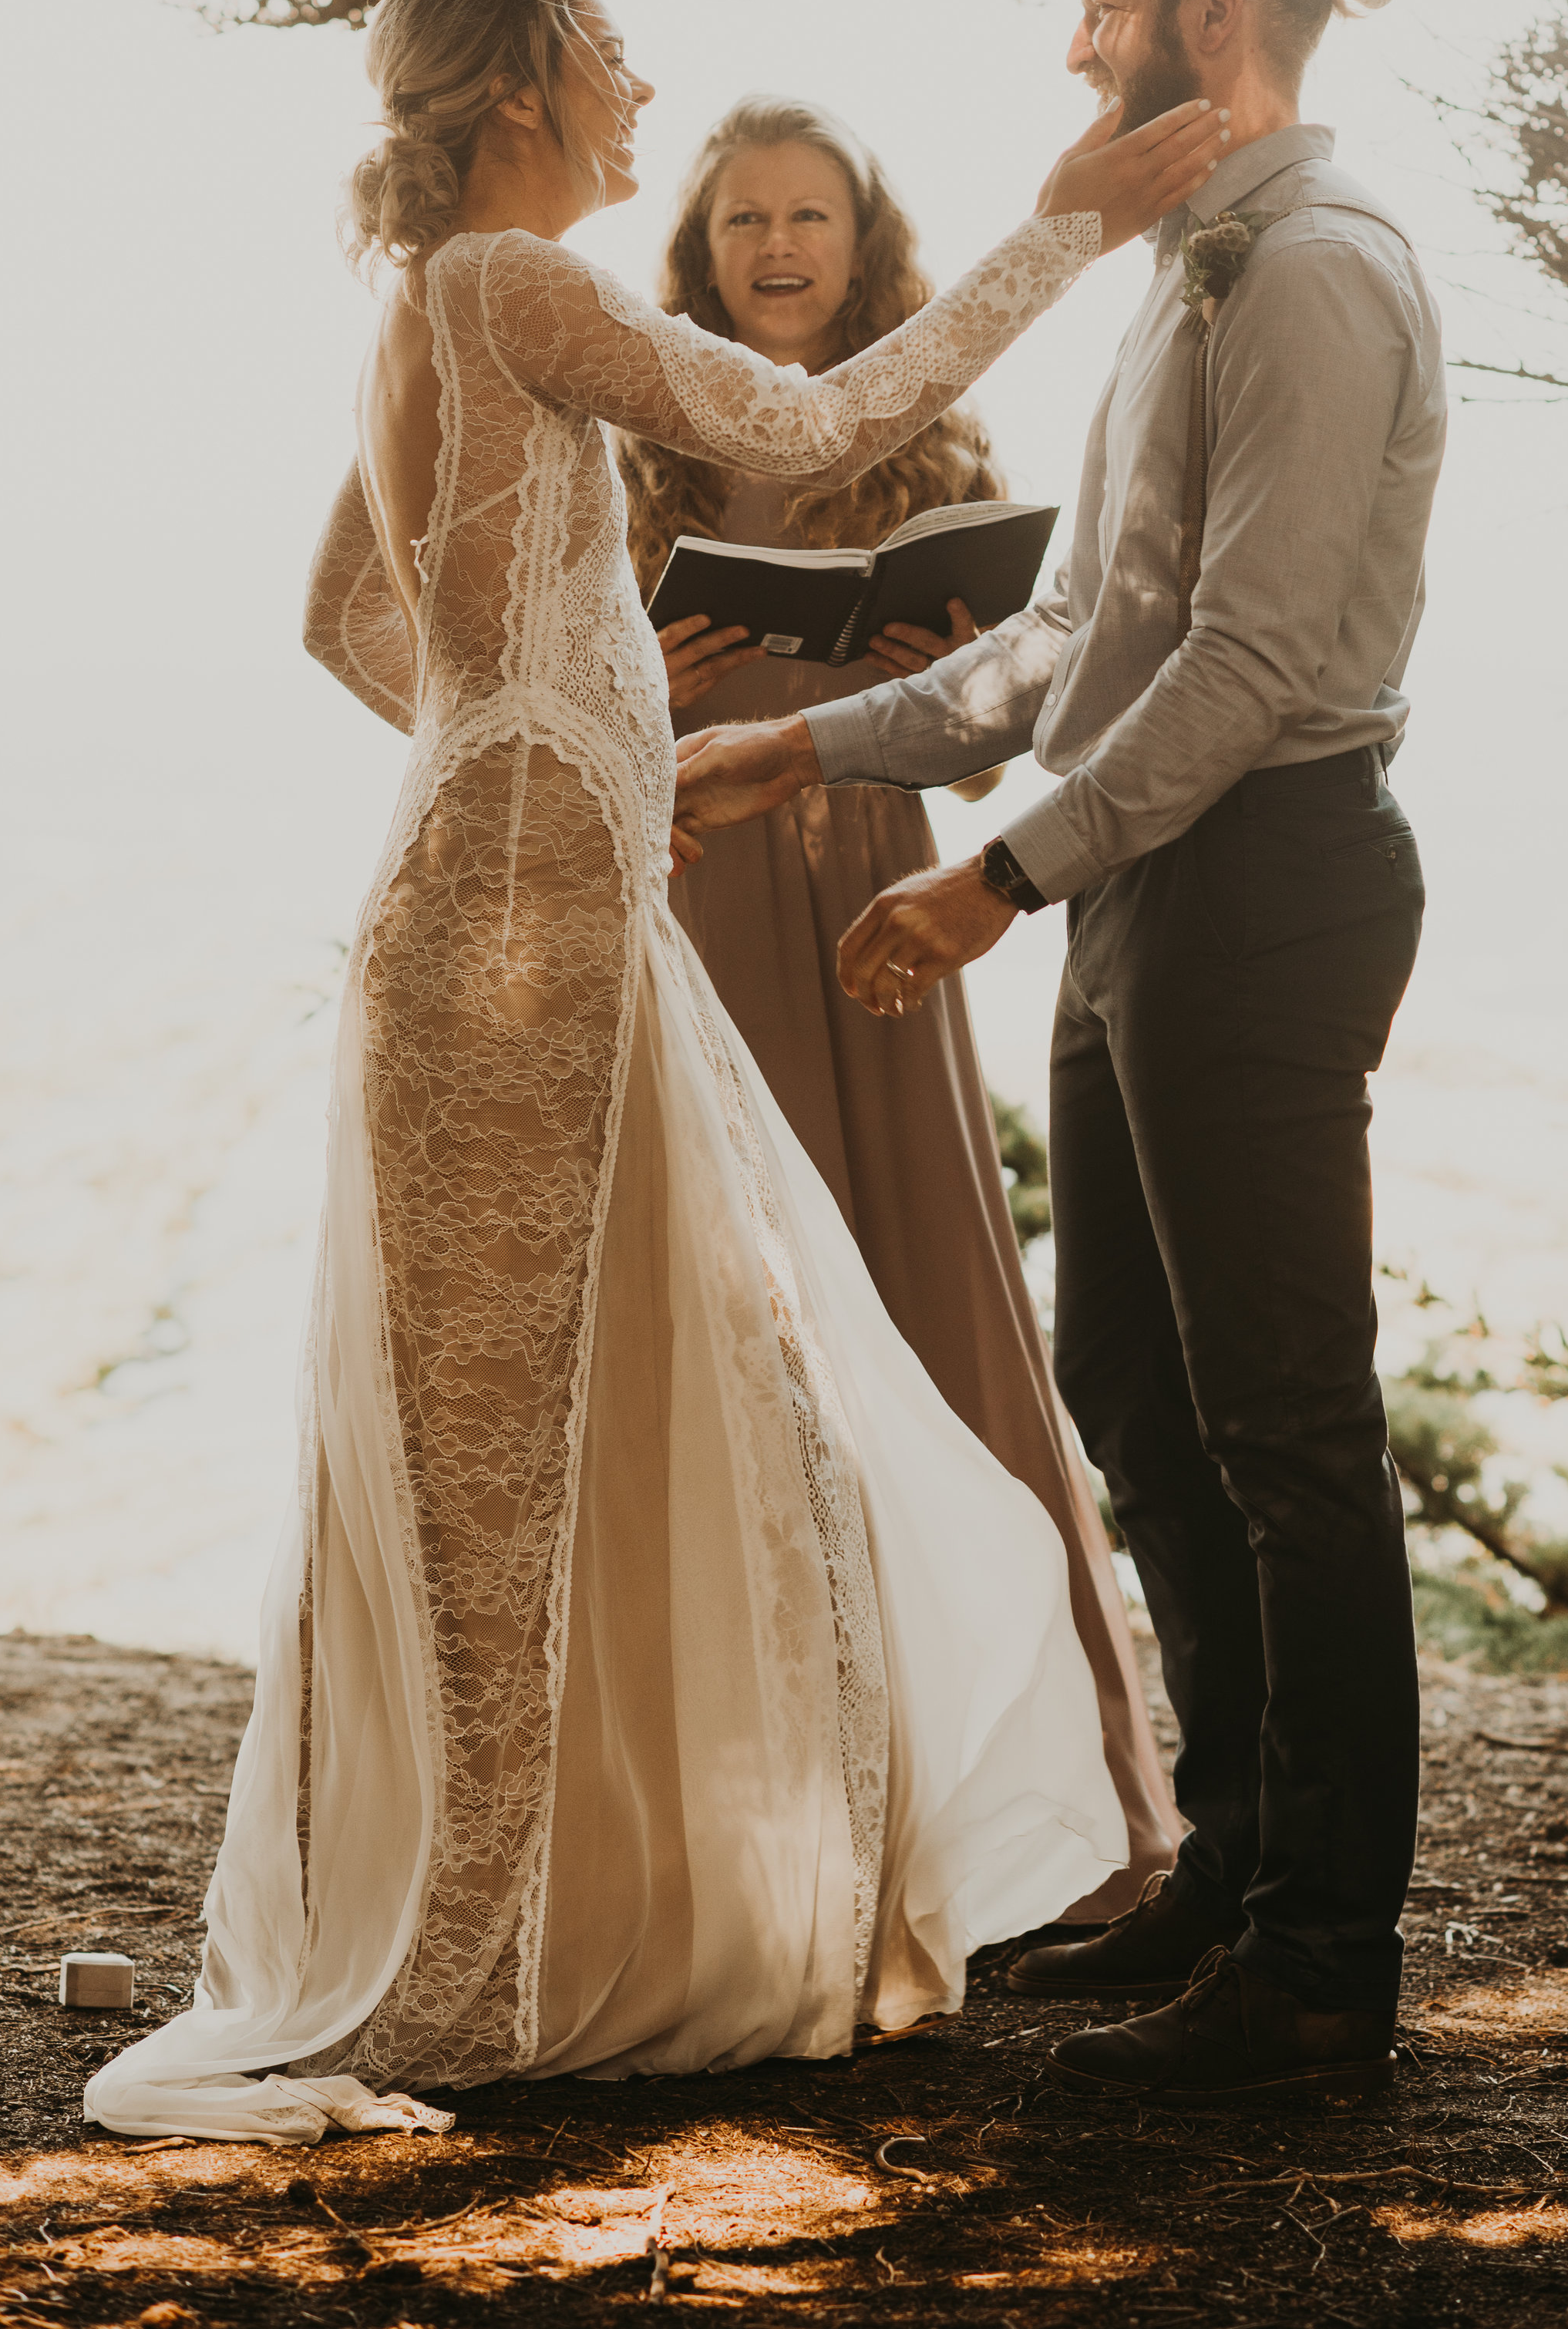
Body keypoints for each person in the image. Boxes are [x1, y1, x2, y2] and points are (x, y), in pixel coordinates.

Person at [82, 0, 1229, 2143]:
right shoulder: (509, 281)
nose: (638, 94)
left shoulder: (448, 299)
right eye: (609, 58)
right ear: (517, 88)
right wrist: (1066, 222)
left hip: (518, 883)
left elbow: (346, 616)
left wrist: (551, 688)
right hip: (510, 922)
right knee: (519, 1442)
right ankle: (486, 1938)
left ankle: (557, 1900)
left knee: (615, 1405)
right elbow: (804, 426)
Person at [674, 0, 1448, 2106]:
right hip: (1142, 891)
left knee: (1291, 1423)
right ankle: (1230, 1862)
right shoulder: (1172, 285)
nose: (1070, 42)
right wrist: (792, 739)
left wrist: (985, 890)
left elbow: (1248, 661)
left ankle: (1321, 1968)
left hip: (1266, 878)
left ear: (1211, 22)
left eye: (1097, 0)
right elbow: (1066, 646)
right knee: (1130, 1380)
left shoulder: (1311, 270)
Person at [621, 97, 1176, 1912]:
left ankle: (1026, 1794)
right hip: (697, 886)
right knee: (727, 1309)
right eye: (743, 220)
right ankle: (763, 1815)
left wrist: (968, 670)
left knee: (920, 1276)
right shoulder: (641, 434)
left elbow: (1045, 664)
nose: (778, 247)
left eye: (813, 217)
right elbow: (537, 670)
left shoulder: (934, 437)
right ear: (697, 249)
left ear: (866, 248)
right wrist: (647, 659)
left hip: (868, 866)